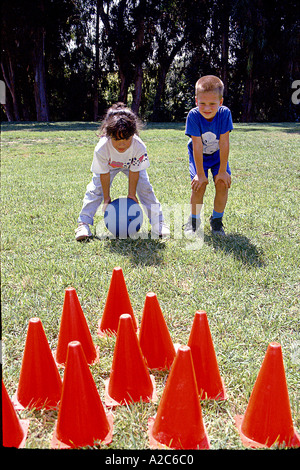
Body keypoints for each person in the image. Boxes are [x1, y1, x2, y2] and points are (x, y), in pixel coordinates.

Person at [75, 103, 170, 240]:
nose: (122, 144)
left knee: (145, 188)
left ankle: (158, 222)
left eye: (126, 139)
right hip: (109, 166)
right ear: (108, 135)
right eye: (117, 139)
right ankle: (83, 223)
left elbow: (134, 171)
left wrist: (132, 194)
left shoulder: (139, 147)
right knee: (95, 190)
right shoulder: (101, 148)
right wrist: (106, 198)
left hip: (132, 164)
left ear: (133, 134)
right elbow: (104, 174)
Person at [184, 75, 233, 236]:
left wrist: (223, 171)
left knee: (222, 184)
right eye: (202, 103)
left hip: (218, 156)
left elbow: (224, 143)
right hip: (199, 157)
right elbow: (197, 145)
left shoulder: (224, 114)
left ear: (220, 102)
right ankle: (193, 222)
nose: (207, 108)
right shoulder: (193, 116)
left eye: (212, 104)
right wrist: (199, 174)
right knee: (199, 186)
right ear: (196, 101)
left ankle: (217, 222)